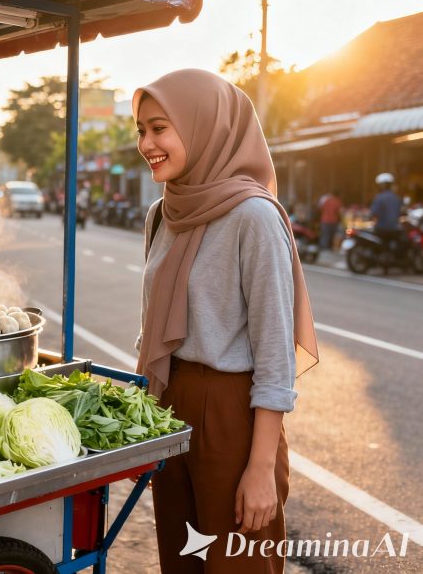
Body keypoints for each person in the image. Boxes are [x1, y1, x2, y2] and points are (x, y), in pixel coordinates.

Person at [132, 69, 318, 574]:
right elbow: (152, 329)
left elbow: (275, 354)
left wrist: (260, 468)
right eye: (141, 131)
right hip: (169, 404)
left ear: (203, 126)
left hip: (233, 415)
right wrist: (141, 421)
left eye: (160, 128)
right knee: (181, 563)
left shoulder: (253, 217)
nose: (146, 144)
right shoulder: (162, 214)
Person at [370, 172, 403, 252]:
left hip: (381, 228)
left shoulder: (379, 197)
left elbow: (374, 213)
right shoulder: (397, 198)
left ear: (382, 185)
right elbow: (401, 213)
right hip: (395, 229)